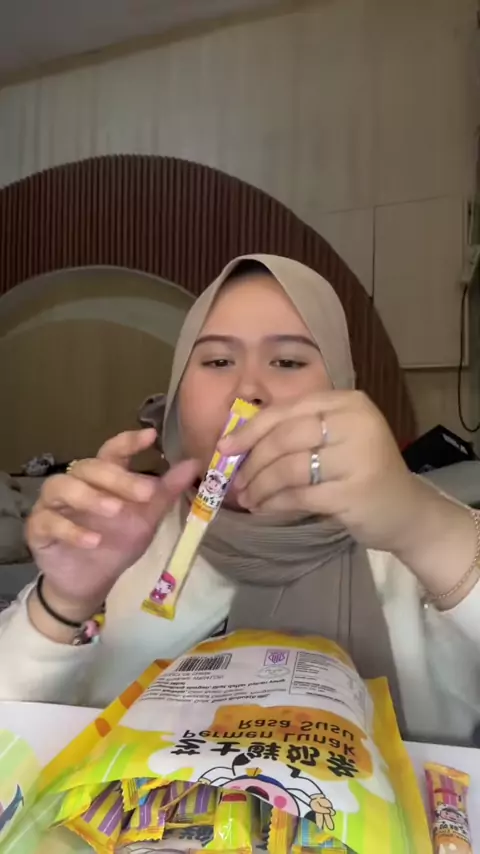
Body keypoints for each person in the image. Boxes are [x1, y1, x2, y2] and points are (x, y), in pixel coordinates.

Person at [0, 254, 479, 745]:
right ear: (177, 402)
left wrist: (426, 527)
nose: (248, 390)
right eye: (217, 362)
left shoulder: (411, 535)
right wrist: (63, 602)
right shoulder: (124, 540)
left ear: (340, 390)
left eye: (288, 362)